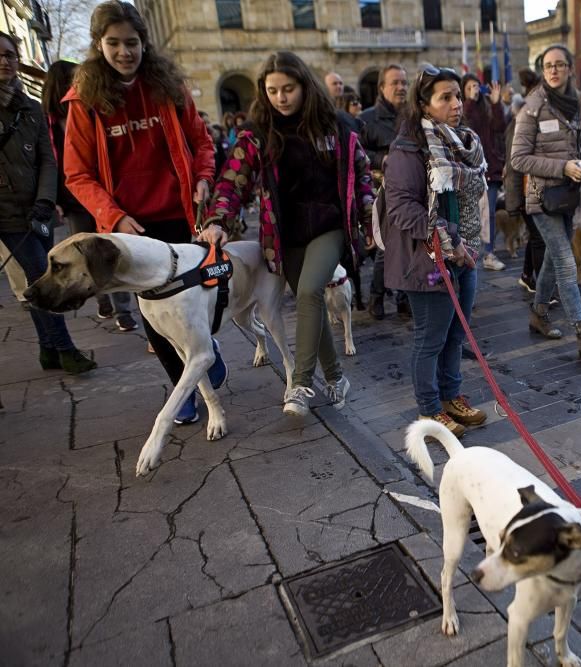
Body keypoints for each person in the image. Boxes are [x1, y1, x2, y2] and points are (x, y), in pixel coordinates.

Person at [63, 0, 225, 419]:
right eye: (113, 43)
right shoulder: (83, 102)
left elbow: (202, 142)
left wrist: (204, 176)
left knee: (202, 290)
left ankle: (206, 349)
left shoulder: (167, 87)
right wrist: (113, 216)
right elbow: (77, 174)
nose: (124, 52)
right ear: (99, 46)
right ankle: (183, 387)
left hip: (179, 211)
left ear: (143, 43)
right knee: (153, 308)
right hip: (129, 226)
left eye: (131, 42)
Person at [200, 51, 373, 416]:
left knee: (310, 291)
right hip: (283, 234)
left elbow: (361, 173)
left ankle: (300, 383)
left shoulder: (336, 125)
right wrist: (217, 219)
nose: (281, 97)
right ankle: (337, 378)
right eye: (273, 90)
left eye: (288, 88)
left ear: (304, 86)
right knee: (310, 303)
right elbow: (232, 180)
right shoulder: (257, 134)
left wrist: (370, 217)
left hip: (329, 226)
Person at [383, 64, 487, 436]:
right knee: (431, 338)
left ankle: (450, 396)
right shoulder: (407, 150)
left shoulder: (461, 143)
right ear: (425, 105)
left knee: (457, 333)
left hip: (465, 253)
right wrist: (448, 239)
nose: (457, 103)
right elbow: (402, 209)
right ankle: (429, 408)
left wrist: (467, 244)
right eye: (446, 97)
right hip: (426, 258)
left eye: (458, 95)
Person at [0, 32, 96, 374]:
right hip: (7, 214)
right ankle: (66, 349)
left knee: (35, 277)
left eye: (10, 54)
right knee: (43, 276)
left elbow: (48, 159)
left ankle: (48, 351)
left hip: (36, 210)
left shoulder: (30, 108)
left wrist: (44, 199)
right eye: (0, 56)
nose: (5, 61)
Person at [510, 44, 581, 359]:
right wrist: (562, 167)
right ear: (542, 70)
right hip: (541, 199)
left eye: (559, 64)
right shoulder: (532, 107)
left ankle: (538, 314)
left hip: (569, 197)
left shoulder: (580, 105)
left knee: (553, 257)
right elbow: (518, 158)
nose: (553, 70)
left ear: (569, 69)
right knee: (565, 261)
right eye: (548, 65)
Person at [42, 59, 136, 330]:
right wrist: (55, 200)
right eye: (75, 78)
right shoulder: (49, 121)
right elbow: (52, 162)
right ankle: (101, 301)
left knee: (108, 250)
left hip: (102, 195)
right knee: (85, 254)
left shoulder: (91, 110)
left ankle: (123, 310)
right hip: (73, 200)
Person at [361, 64, 410, 320]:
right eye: (395, 83)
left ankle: (403, 299)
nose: (401, 87)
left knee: (409, 246)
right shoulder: (367, 119)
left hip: (411, 189)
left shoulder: (413, 115)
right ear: (382, 87)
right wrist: (382, 158)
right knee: (386, 247)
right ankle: (376, 297)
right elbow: (358, 154)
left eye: (404, 82)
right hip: (382, 190)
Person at [461, 73, 507, 271]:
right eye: (470, 86)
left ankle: (489, 253)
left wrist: (497, 104)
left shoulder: (487, 106)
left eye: (477, 86)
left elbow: (500, 127)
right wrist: (469, 100)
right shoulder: (463, 108)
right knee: (471, 213)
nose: (475, 89)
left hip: (490, 167)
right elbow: (465, 124)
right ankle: (469, 252)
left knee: (489, 211)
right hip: (470, 169)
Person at [508, 70, 547, 294]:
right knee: (539, 238)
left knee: (536, 236)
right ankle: (544, 289)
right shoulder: (522, 120)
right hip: (525, 191)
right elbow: (513, 165)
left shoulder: (538, 114)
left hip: (536, 190)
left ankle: (526, 276)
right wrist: (516, 201)